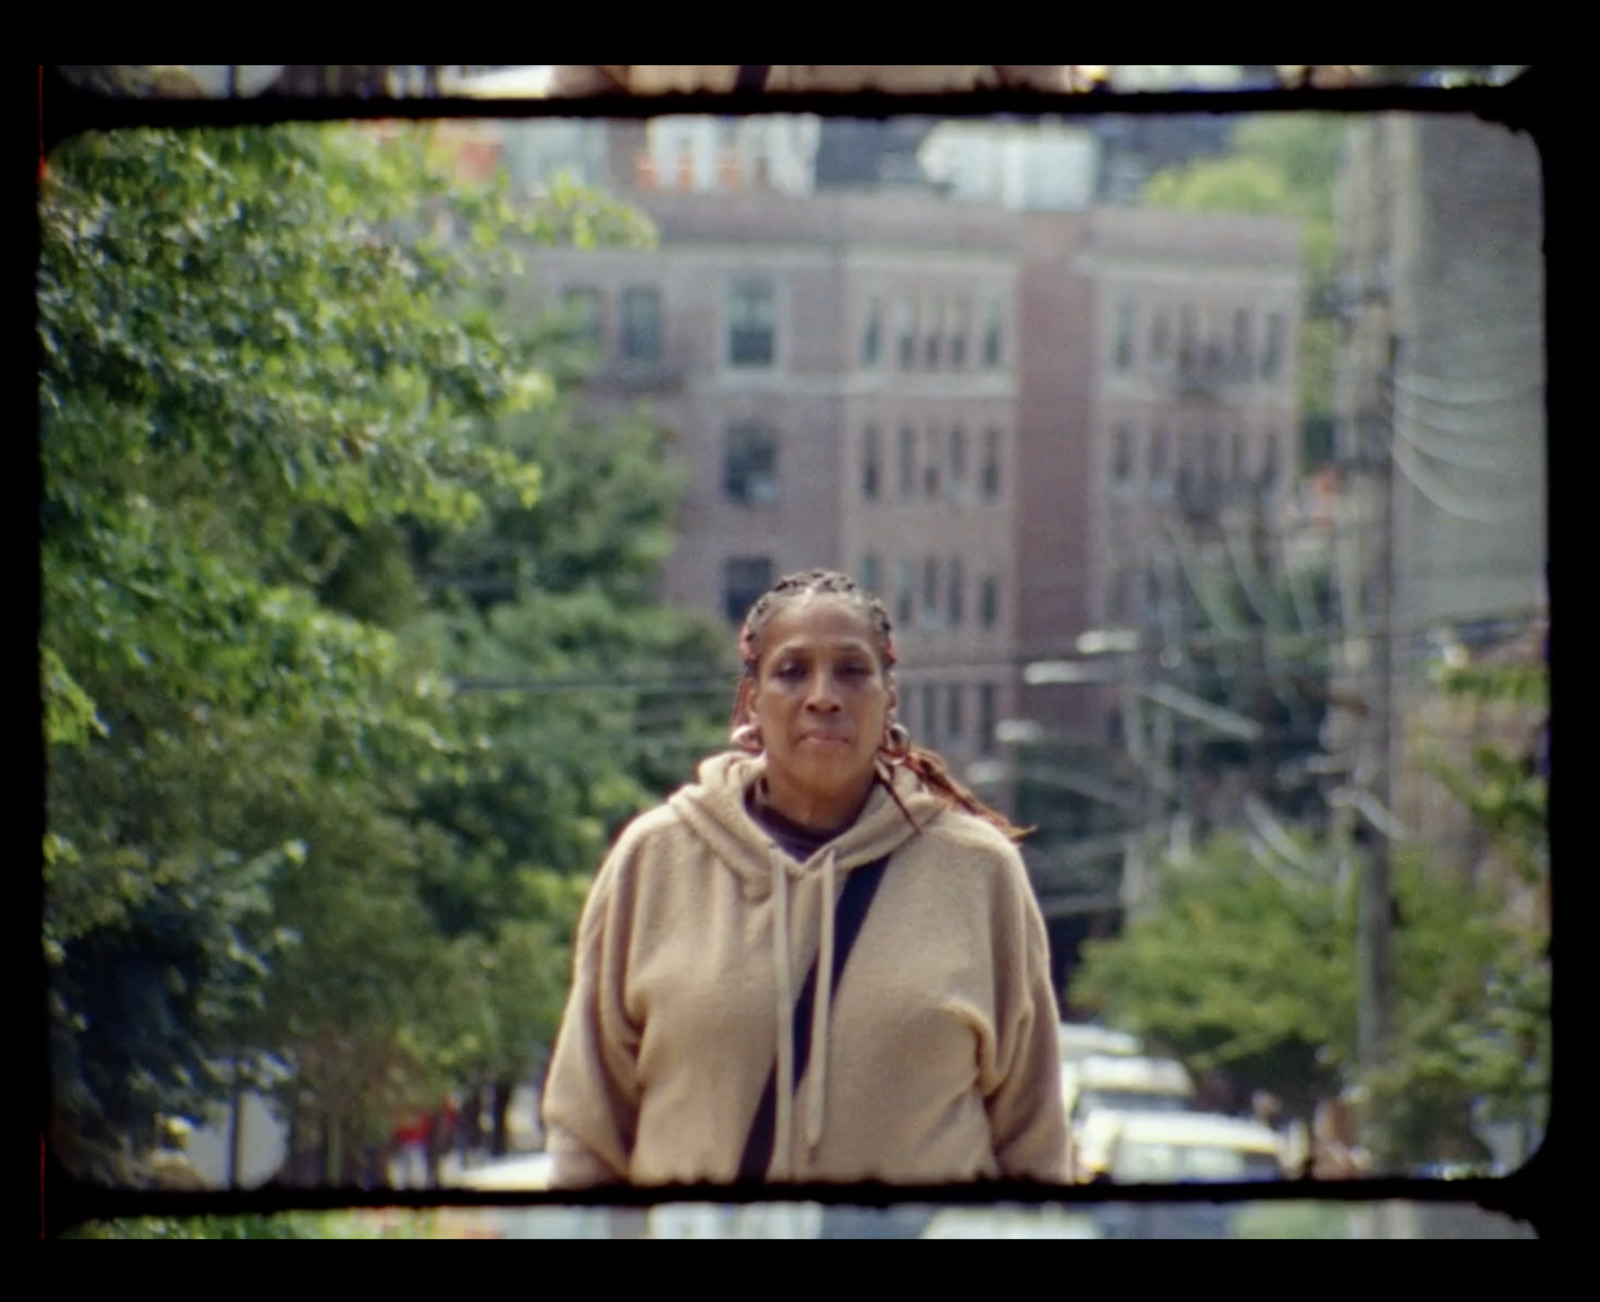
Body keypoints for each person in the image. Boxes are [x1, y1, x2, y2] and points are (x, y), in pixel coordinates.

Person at [541, 569, 1067, 1187]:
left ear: (888, 696)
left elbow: (1035, 1143)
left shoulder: (978, 874)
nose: (823, 695)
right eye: (791, 672)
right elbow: (587, 1135)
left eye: (852, 670)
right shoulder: (654, 860)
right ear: (751, 701)